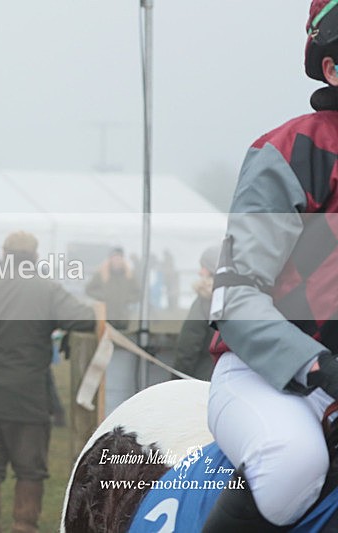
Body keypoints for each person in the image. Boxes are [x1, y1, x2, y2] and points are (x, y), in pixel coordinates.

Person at [203, 2, 338, 529]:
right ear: (332, 67)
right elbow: (237, 300)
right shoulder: (288, 151)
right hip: (270, 377)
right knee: (291, 466)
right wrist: (320, 367)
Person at [0, 231, 96, 533]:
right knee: (30, 472)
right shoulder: (46, 289)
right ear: (34, 256)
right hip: (28, 398)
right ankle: (24, 526)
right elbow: (84, 318)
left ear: (5, 255)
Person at [171, 245, 219, 381]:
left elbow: (188, 347)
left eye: (203, 267)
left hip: (201, 381)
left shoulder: (204, 302)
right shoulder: (239, 301)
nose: (200, 272)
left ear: (211, 271)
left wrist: (176, 380)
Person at [84, 246, 140, 330]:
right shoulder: (101, 273)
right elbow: (89, 289)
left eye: (119, 257)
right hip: (106, 316)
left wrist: (127, 299)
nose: (117, 260)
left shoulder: (129, 275)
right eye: (114, 257)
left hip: (123, 317)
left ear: (122, 259)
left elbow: (138, 293)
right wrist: (102, 296)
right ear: (110, 259)